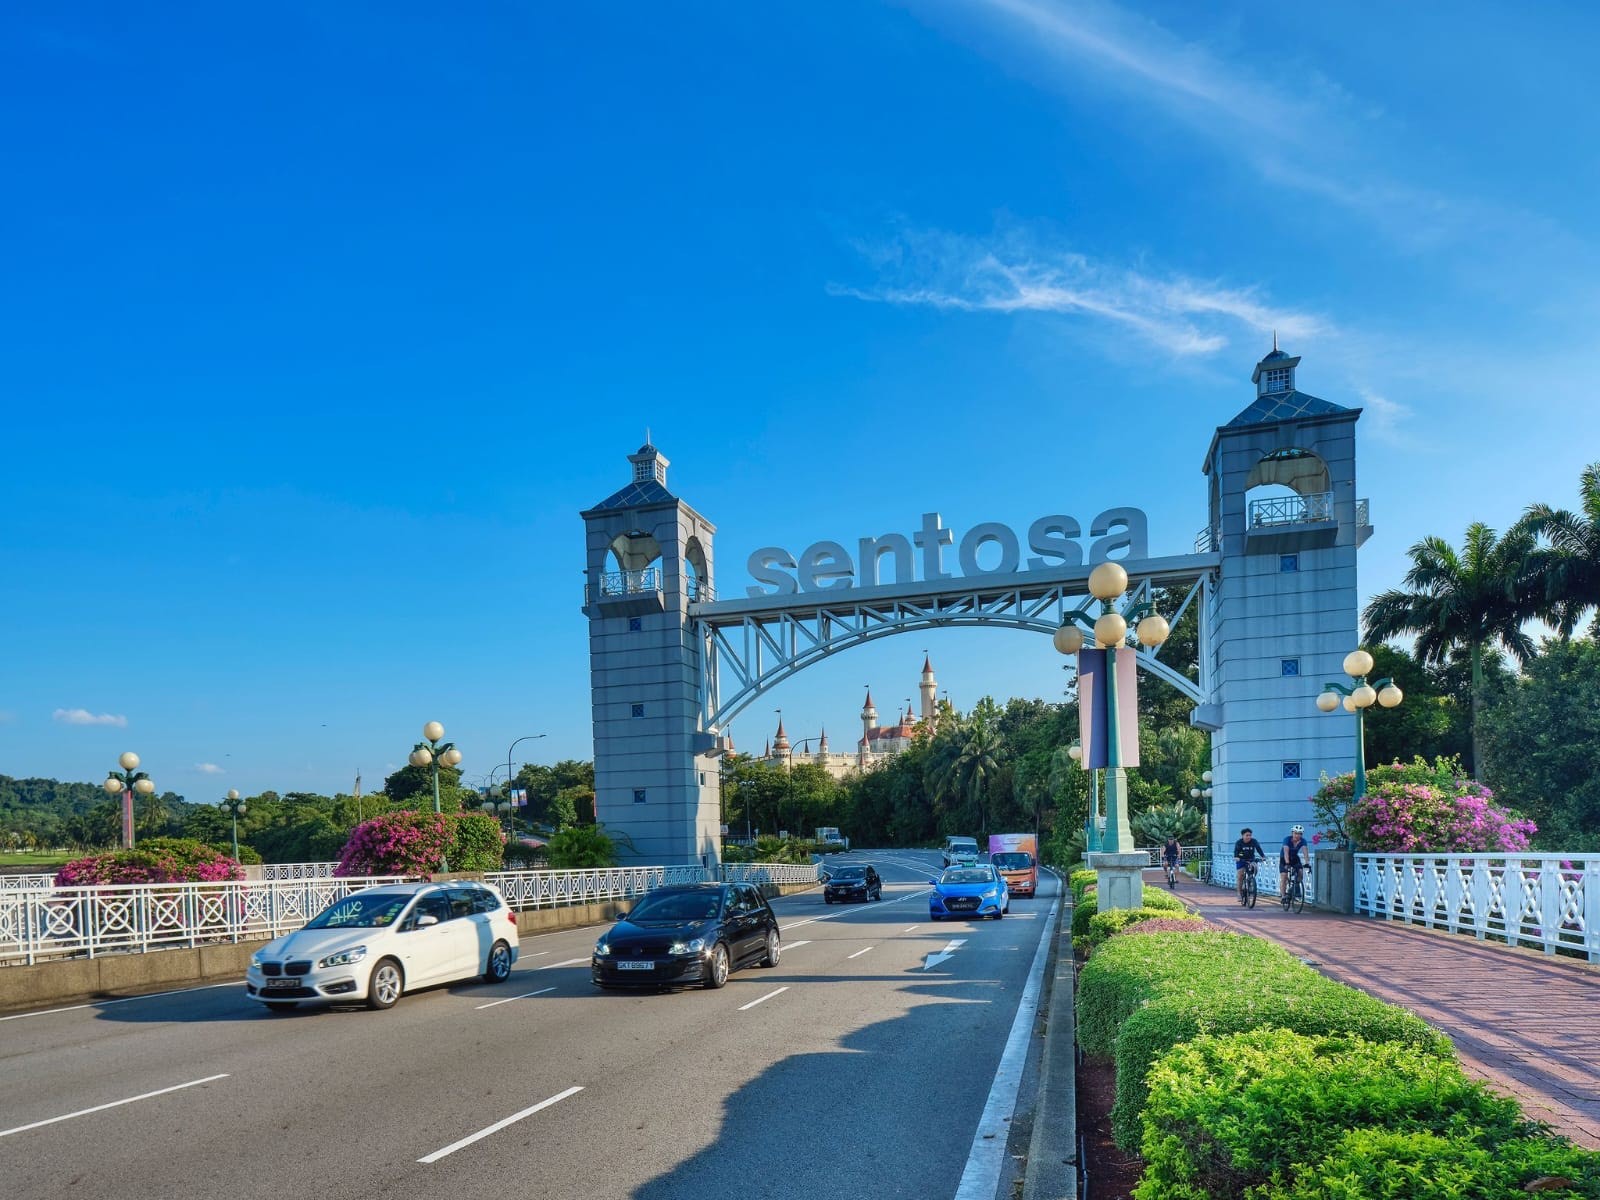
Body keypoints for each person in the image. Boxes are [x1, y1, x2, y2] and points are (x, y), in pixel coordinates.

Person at [1233, 828, 1266, 900]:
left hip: (1251, 859)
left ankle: (1250, 881)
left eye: (1250, 835)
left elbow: (1258, 849)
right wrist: (1236, 857)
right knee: (1240, 875)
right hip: (1241, 860)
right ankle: (1239, 892)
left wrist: (1263, 856)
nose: (1249, 837)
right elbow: (1236, 852)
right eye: (1247, 835)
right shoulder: (1239, 842)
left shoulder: (1254, 841)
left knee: (1255, 868)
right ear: (1242, 836)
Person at [1280, 824, 1310, 896]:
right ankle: (1283, 896)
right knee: (1284, 877)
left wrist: (1307, 863)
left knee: (1300, 873)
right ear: (1292, 833)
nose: (1297, 835)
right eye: (1295, 833)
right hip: (1284, 858)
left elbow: (1305, 852)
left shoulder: (1303, 841)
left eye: (1299, 834)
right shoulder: (1287, 839)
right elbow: (1286, 852)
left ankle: (1294, 887)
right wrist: (1287, 863)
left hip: (1294, 857)